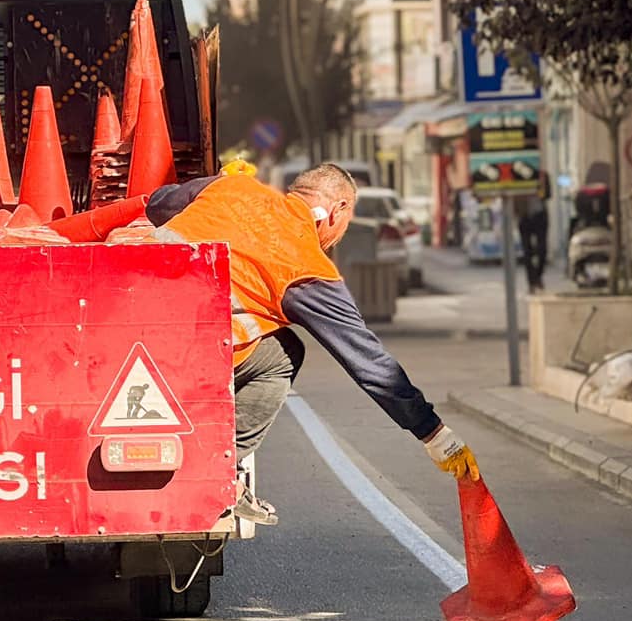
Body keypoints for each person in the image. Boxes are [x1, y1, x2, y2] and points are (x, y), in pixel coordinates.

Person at [146, 162, 478, 524]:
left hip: (121, 315)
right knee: (286, 352)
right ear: (338, 210)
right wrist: (433, 433)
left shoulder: (235, 189)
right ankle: (217, 468)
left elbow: (158, 203)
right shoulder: (307, 268)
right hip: (180, 352)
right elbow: (369, 362)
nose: (338, 239)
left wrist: (215, 183)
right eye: (345, 226)